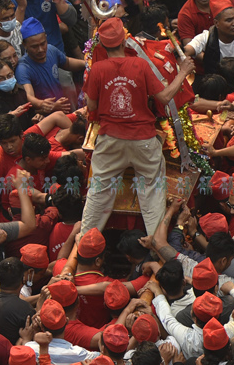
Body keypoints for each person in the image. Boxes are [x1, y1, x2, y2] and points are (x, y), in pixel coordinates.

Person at [81, 18, 195, 235]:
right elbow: (164, 97)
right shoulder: (140, 65)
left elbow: (91, 106)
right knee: (152, 193)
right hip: (143, 141)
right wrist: (183, 72)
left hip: (110, 142)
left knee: (97, 195)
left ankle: (85, 243)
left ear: (102, 44)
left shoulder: (97, 69)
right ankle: (156, 243)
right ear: (125, 41)